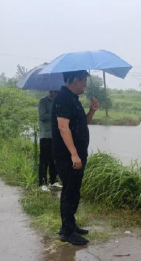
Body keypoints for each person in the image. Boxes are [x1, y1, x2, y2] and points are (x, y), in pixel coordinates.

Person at [51, 70, 99, 246]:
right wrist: (73, 154)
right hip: (67, 156)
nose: (85, 85)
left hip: (77, 154)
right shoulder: (63, 98)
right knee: (70, 191)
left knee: (74, 191)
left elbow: (80, 124)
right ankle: (67, 232)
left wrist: (91, 112)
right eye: (84, 81)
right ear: (76, 79)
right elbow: (63, 128)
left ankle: (70, 225)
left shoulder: (73, 99)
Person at [38, 90, 62, 192]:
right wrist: (55, 114)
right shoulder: (43, 101)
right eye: (56, 92)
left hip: (56, 135)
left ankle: (53, 181)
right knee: (44, 160)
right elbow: (42, 117)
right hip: (46, 135)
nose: (57, 94)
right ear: (51, 92)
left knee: (54, 159)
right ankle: (42, 183)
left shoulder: (59, 102)